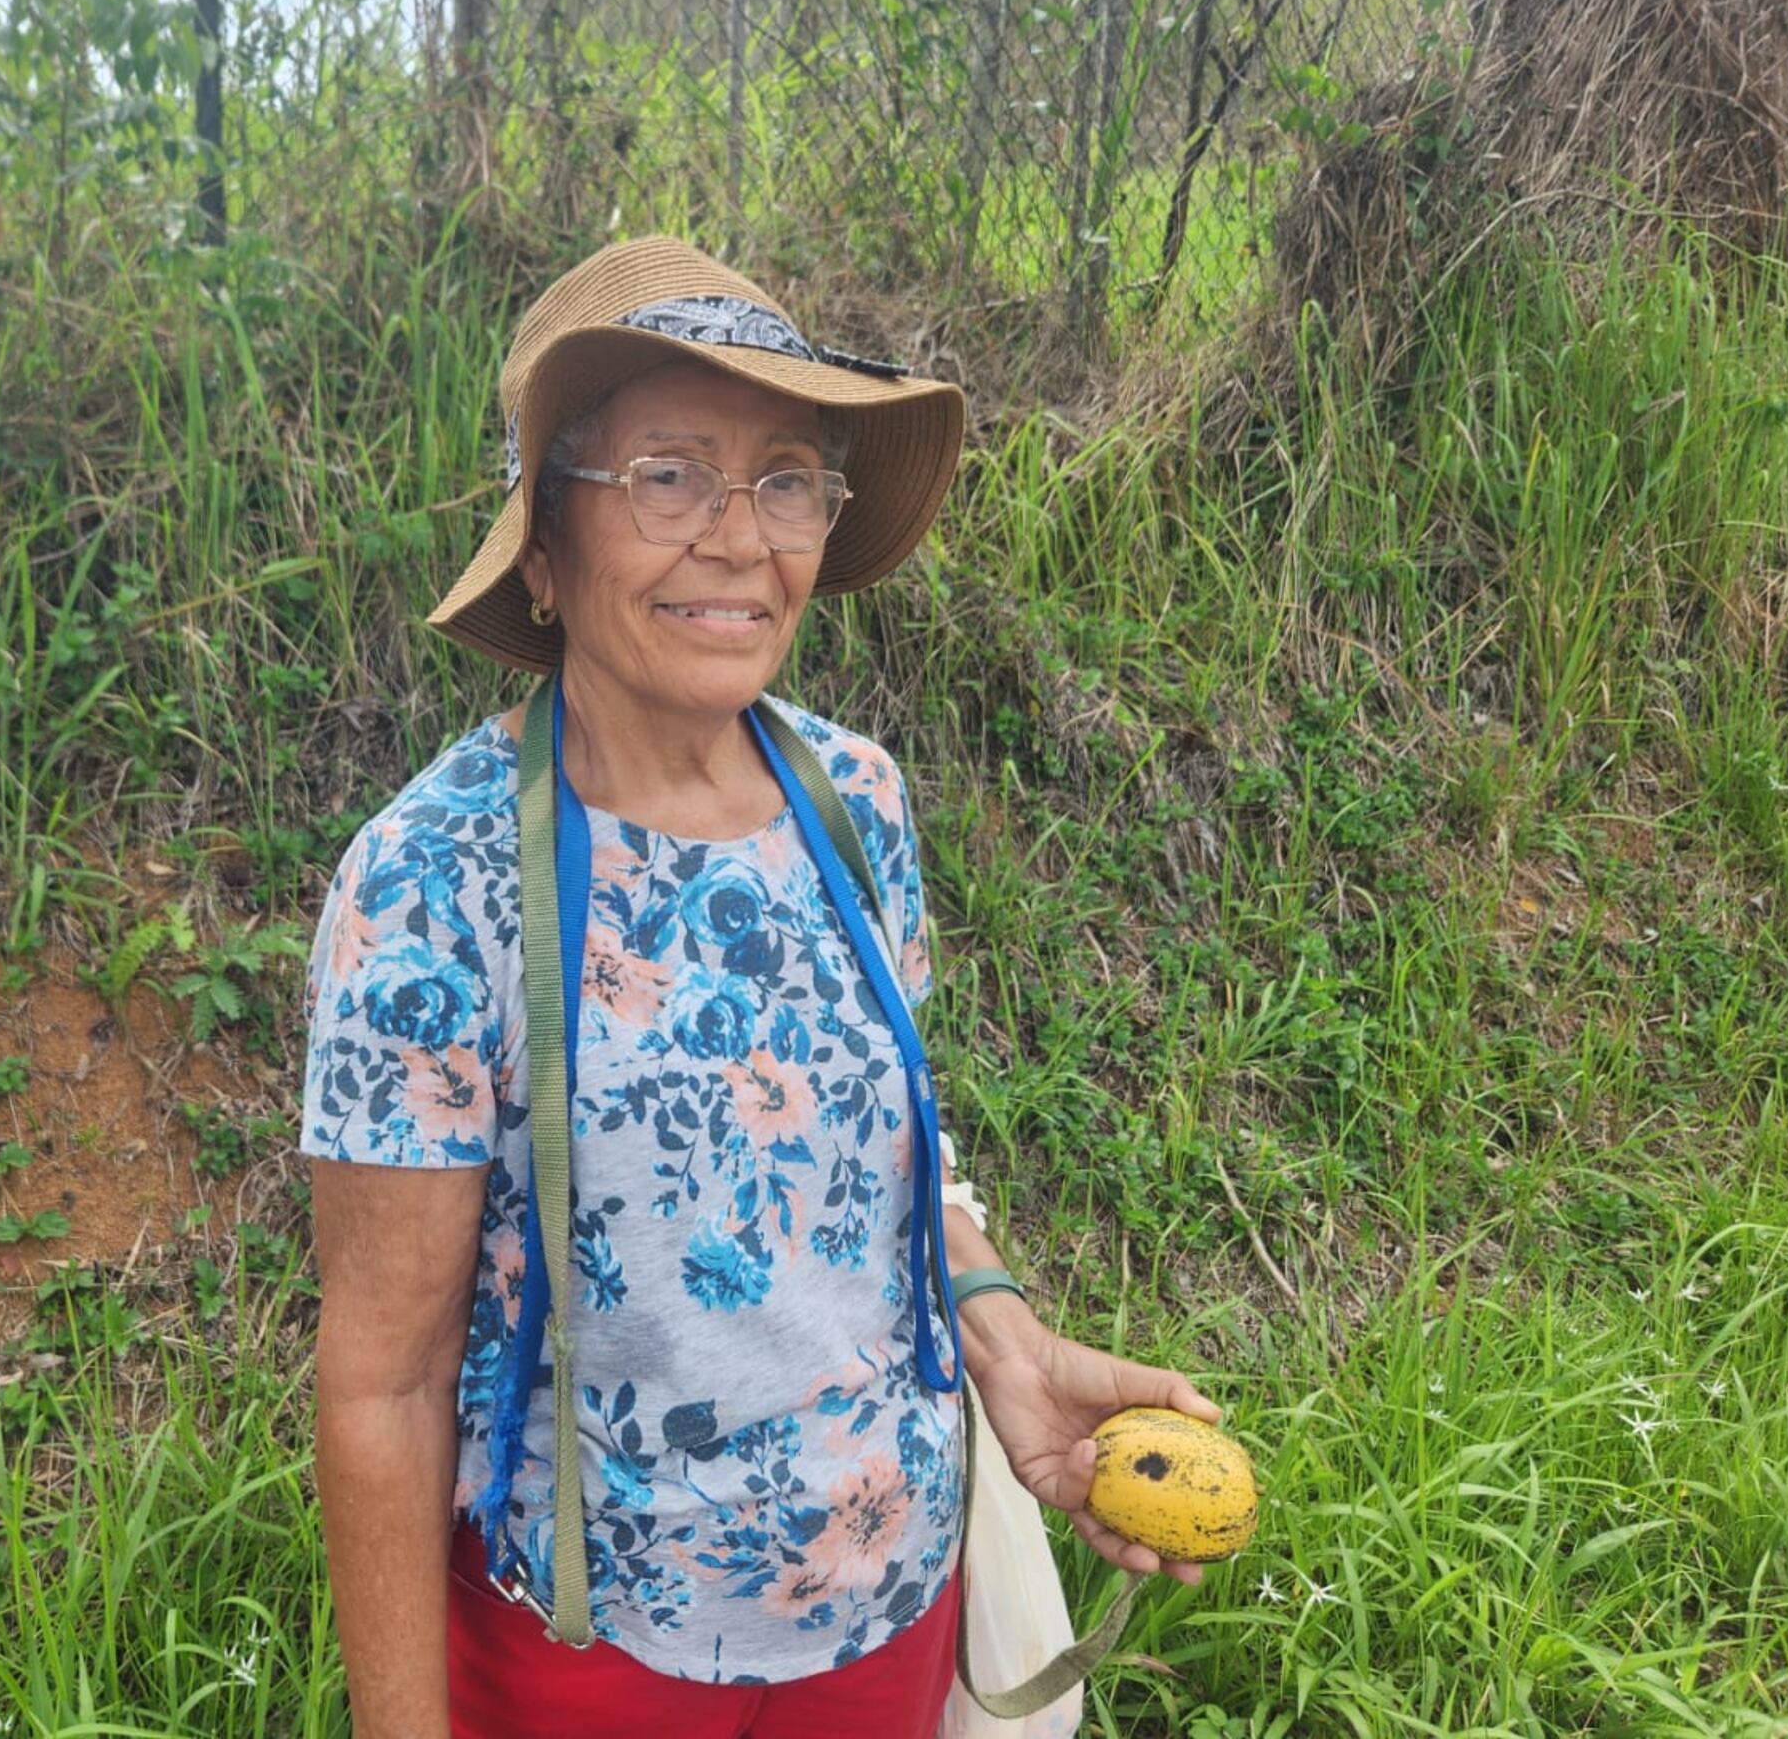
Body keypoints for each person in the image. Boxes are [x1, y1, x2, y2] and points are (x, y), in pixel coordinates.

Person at [299, 236, 1219, 1739]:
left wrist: (1009, 1347)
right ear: (547, 546)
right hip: (592, 1657)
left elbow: (877, 1172)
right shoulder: (432, 884)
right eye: (669, 475)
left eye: (786, 475)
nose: (740, 538)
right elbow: (385, 1386)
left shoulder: (854, 796)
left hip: (889, 1612)